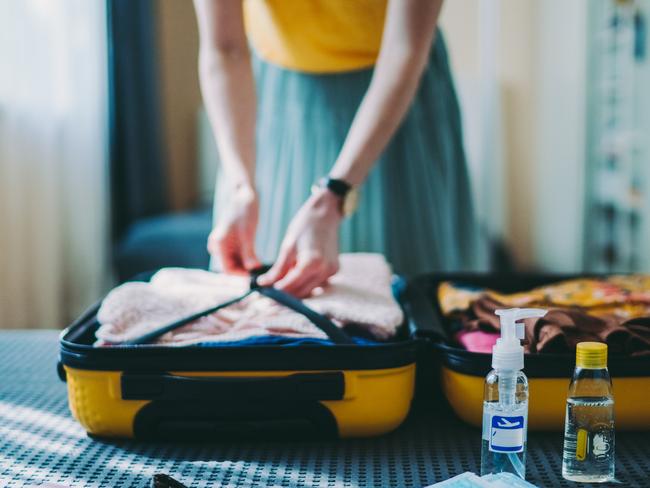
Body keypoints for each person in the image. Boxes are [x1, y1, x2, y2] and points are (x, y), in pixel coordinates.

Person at [194, 0, 479, 298]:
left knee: (410, 294)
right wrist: (242, 186)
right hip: (278, 99)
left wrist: (335, 194)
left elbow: (404, 49)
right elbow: (224, 48)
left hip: (397, 95)